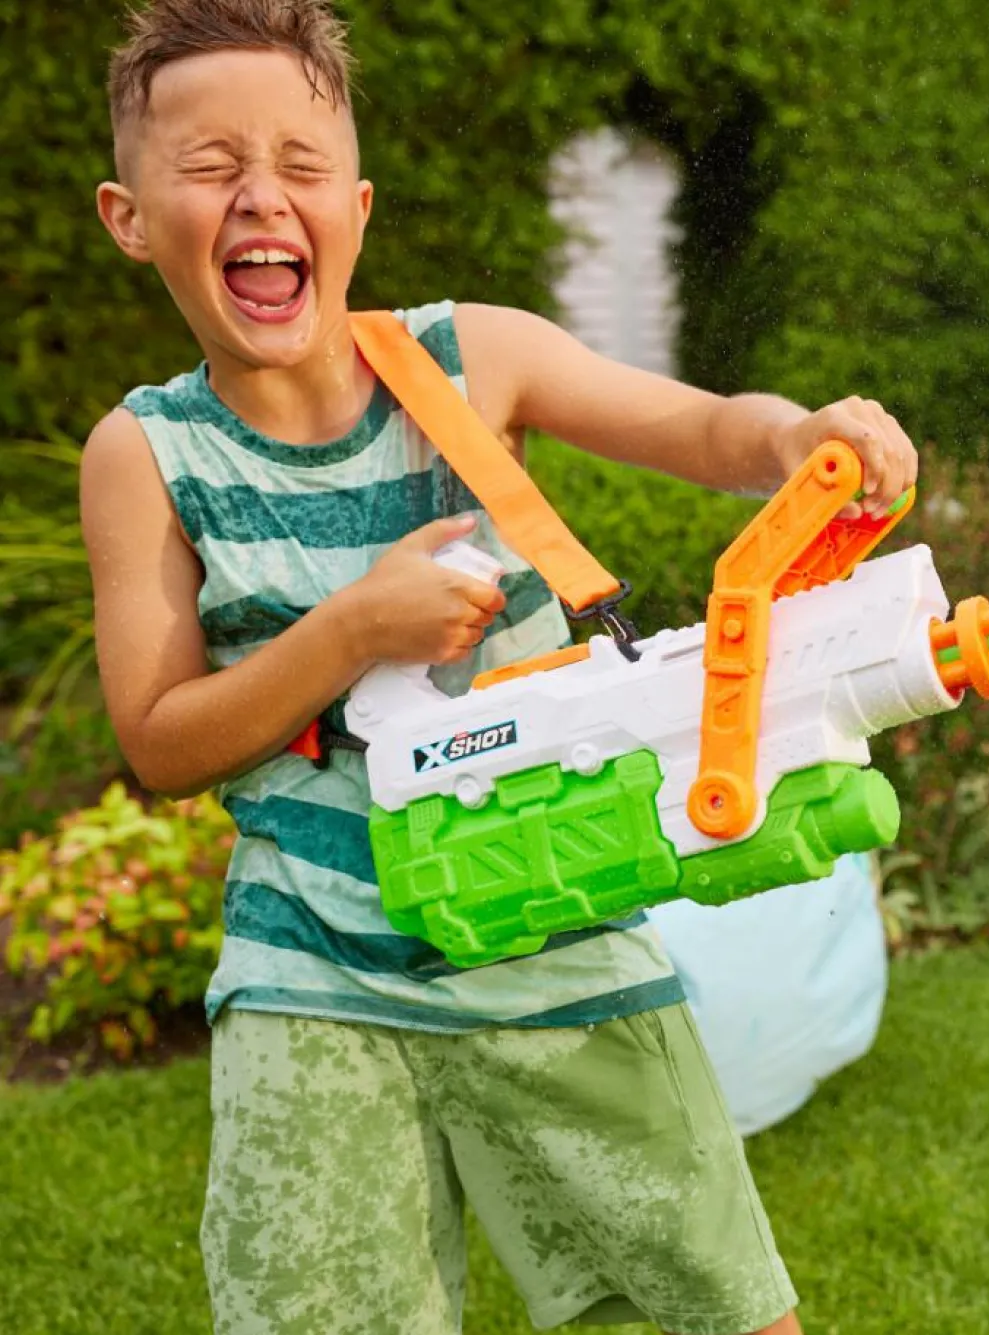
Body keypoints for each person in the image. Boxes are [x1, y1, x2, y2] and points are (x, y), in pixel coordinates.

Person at [80, 2, 918, 1331]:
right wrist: (355, 628)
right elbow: (160, 739)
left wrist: (794, 436)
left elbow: (709, 429)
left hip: (561, 942)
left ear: (355, 207)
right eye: (211, 166)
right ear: (130, 218)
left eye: (300, 165)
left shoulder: (477, 359)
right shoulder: (144, 458)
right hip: (313, 982)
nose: (262, 197)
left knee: (719, 1311)